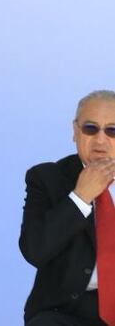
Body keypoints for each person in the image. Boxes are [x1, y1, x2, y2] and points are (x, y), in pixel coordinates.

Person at [21, 90, 115, 325]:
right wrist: (80, 197)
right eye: (91, 128)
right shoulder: (46, 178)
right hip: (67, 312)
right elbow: (35, 251)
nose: (101, 140)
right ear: (75, 131)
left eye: (112, 130)